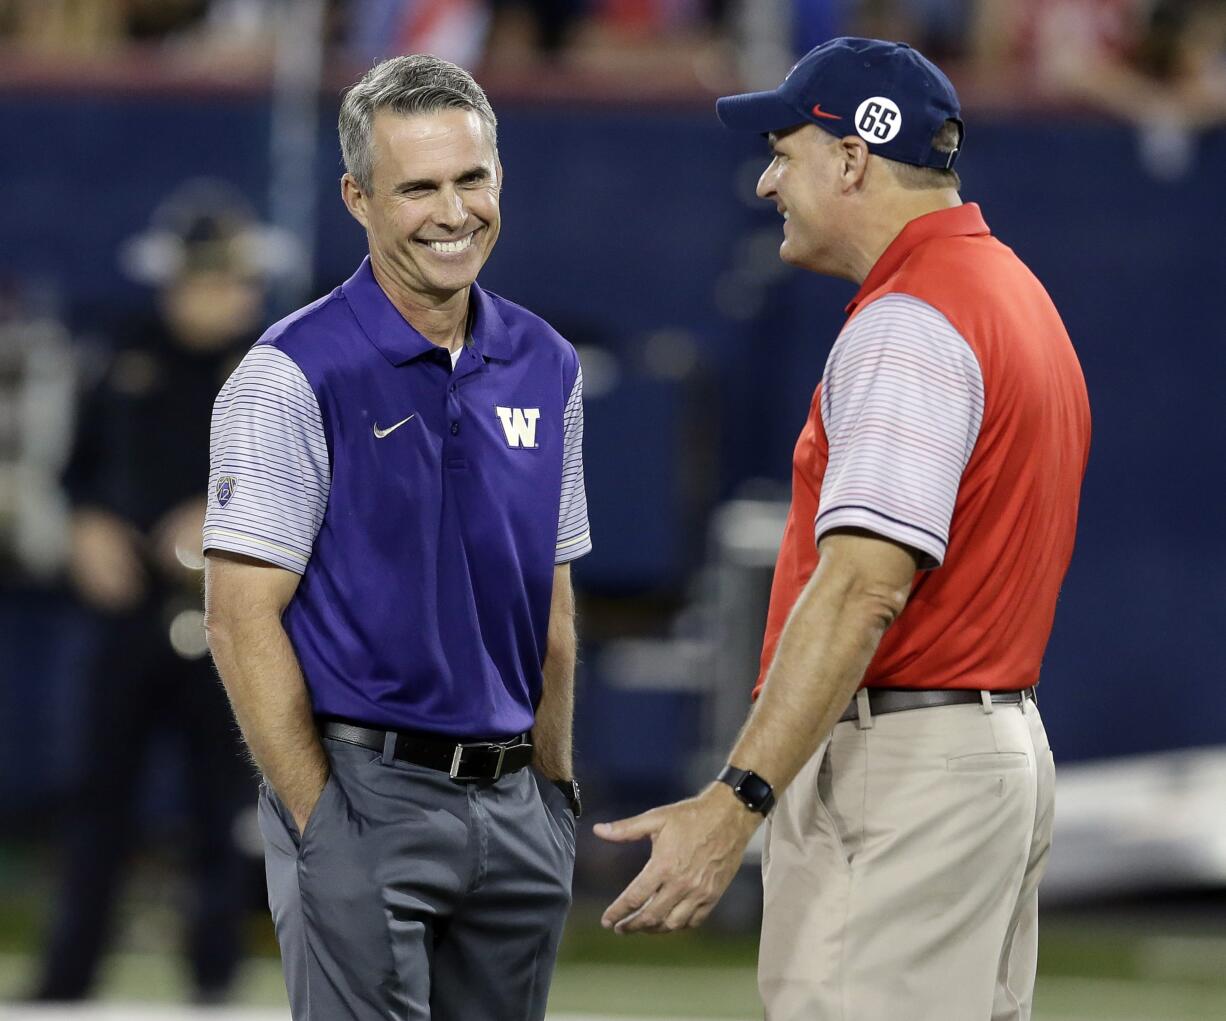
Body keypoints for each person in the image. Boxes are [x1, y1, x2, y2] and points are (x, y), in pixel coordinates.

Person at [597, 36, 1091, 1021]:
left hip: (906, 767)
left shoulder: (911, 319)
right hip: (978, 753)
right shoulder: (1009, 293)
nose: (767, 181)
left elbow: (864, 585)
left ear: (852, 155)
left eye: (783, 151)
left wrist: (734, 797)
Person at [203, 54, 589, 1021]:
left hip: (515, 806)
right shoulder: (291, 372)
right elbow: (240, 617)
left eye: (472, 179)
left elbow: (551, 604)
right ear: (358, 199)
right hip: (366, 795)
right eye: (417, 187)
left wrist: (555, 794)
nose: (453, 211)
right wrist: (318, 821)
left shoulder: (547, 362)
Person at [30, 182, 266, 1004]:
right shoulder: (121, 353)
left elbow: (319, 489)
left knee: (219, 803)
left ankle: (215, 979)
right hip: (123, 615)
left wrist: (225, 520)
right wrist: (86, 529)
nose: (219, 295)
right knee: (97, 800)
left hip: (230, 619)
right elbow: (75, 474)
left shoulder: (272, 372)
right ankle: (68, 978)